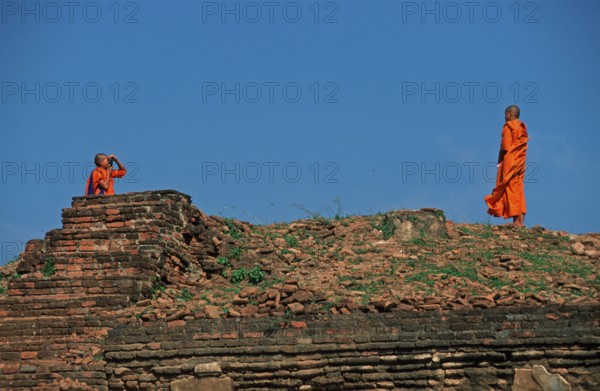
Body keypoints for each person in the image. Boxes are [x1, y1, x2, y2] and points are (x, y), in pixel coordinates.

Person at [484, 105, 528, 226]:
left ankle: (517, 223)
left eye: (505, 115)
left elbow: (505, 147)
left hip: (509, 162)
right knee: (518, 189)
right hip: (520, 163)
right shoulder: (522, 127)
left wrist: (499, 163)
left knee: (510, 189)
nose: (504, 118)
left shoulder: (509, 126)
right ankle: (520, 221)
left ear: (510, 113)